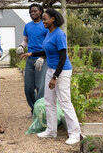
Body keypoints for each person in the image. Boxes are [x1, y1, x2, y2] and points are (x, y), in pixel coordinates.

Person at [20, 9, 81, 145]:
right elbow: (47, 51)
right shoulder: (49, 33)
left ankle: (75, 133)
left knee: (65, 101)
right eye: (42, 19)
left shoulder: (59, 34)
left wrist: (55, 76)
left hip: (62, 71)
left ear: (53, 19)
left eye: (45, 19)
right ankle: (51, 130)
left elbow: (63, 56)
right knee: (49, 100)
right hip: (51, 69)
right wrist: (31, 54)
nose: (43, 22)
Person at [16, 3, 48, 118]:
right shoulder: (28, 26)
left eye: (34, 11)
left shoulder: (45, 25)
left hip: (42, 59)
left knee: (40, 87)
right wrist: (21, 46)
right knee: (28, 87)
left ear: (40, 12)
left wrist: (42, 57)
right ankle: (34, 109)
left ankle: (39, 112)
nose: (32, 13)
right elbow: (26, 40)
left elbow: (48, 44)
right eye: (30, 12)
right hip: (30, 59)